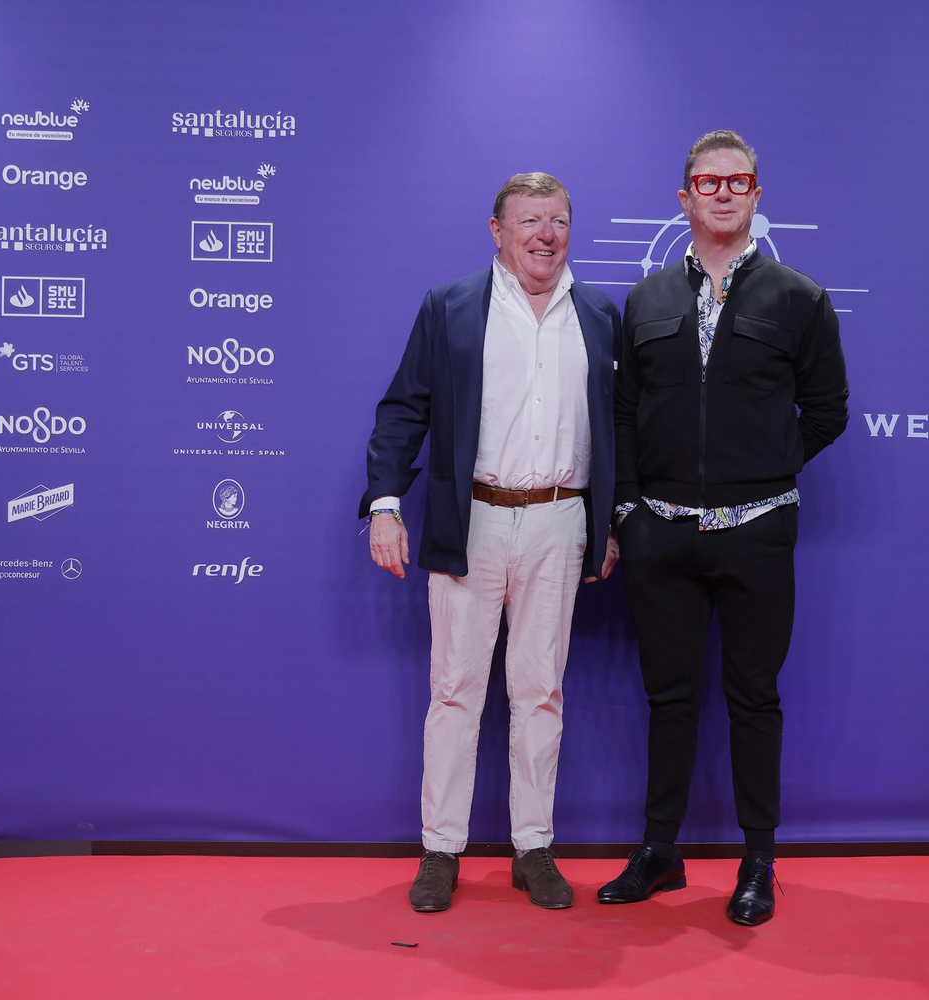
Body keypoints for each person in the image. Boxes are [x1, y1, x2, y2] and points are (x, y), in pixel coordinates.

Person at [598, 131, 849, 926]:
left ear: (756, 195)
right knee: (668, 698)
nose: (724, 192)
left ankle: (758, 859)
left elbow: (828, 409)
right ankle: (659, 851)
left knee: (754, 699)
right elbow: (626, 413)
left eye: (739, 181)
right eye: (708, 182)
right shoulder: (647, 301)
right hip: (660, 535)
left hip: (758, 530)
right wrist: (631, 507)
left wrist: (767, 467)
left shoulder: (799, 298)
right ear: (685, 199)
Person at [361, 172, 621, 912]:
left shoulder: (599, 315)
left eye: (559, 219)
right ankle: (440, 849)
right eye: (530, 220)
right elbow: (402, 410)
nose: (546, 234)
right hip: (469, 519)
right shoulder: (451, 307)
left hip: (561, 522)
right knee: (455, 692)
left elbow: (619, 429)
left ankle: (532, 847)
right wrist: (385, 504)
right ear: (497, 230)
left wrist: (608, 521)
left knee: (541, 691)